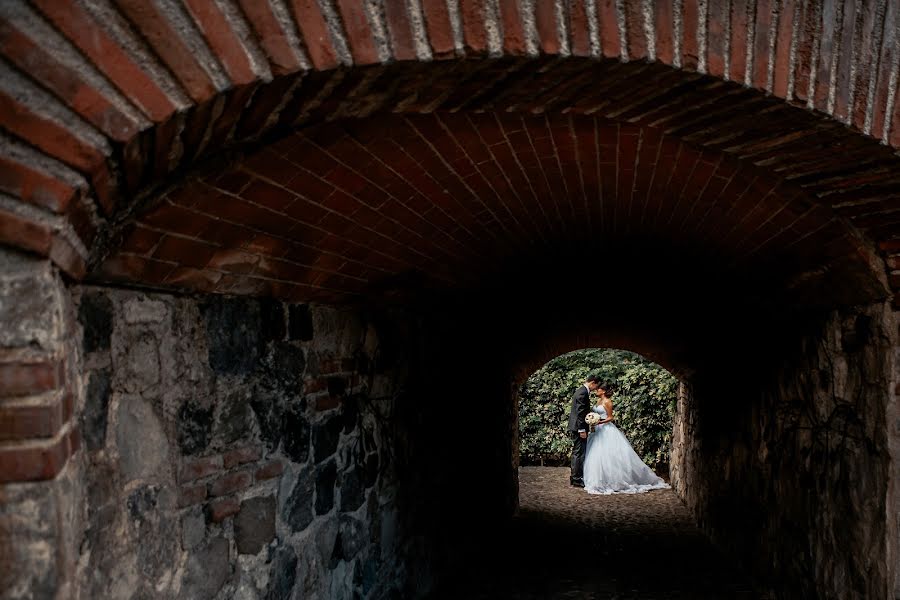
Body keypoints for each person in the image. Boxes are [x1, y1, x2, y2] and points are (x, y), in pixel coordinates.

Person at [582, 382, 670, 495]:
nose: (596, 391)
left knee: (610, 456)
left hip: (606, 430)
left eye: (598, 389)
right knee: (595, 454)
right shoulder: (598, 401)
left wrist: (600, 421)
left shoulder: (608, 402)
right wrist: (592, 420)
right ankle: (598, 480)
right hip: (597, 430)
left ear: (603, 391)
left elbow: (610, 417)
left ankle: (614, 481)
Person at [566, 374, 604, 487]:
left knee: (577, 452)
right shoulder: (583, 392)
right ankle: (576, 479)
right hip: (579, 428)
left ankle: (575, 478)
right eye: (596, 386)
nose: (596, 388)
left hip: (576, 427)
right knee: (579, 453)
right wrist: (582, 430)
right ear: (592, 382)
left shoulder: (581, 390)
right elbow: (580, 413)